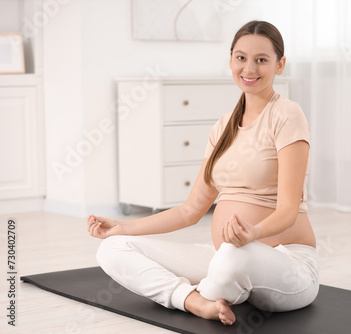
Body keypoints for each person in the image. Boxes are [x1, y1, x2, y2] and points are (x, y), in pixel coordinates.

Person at [87, 20, 318, 326]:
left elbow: (288, 210)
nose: (249, 68)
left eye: (261, 59)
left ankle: (203, 292)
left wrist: (254, 234)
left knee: (232, 257)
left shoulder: (287, 114)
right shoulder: (223, 126)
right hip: (224, 255)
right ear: (231, 61)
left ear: (280, 65)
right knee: (112, 249)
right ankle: (192, 301)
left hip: (286, 261)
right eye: (241, 58)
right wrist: (123, 227)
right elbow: (189, 211)